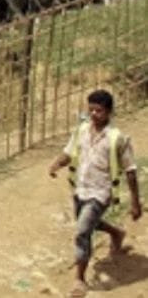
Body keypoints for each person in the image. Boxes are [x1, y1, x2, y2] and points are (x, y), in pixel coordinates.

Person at [48, 88, 140, 296]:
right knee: (88, 222)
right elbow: (69, 152)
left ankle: (79, 279)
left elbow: (131, 171)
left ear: (109, 112)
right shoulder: (81, 130)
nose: (93, 115)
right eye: (90, 110)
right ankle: (116, 233)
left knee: (82, 231)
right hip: (80, 188)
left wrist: (135, 202)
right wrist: (56, 164)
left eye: (98, 111)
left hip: (101, 191)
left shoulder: (117, 139)